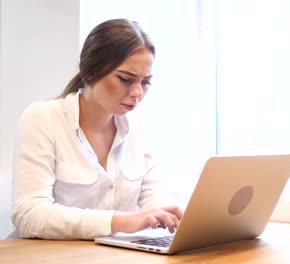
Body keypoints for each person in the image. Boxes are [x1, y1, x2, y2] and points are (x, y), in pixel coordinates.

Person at [11, 18, 183, 240]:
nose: (138, 93)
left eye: (145, 82)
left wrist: (169, 214)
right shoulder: (43, 119)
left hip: (110, 256)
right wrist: (121, 221)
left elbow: (151, 193)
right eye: (126, 79)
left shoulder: (135, 123)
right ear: (90, 71)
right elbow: (29, 215)